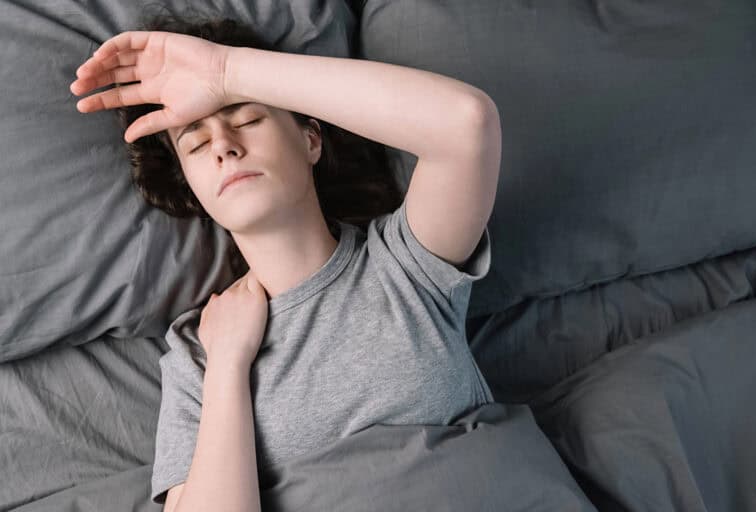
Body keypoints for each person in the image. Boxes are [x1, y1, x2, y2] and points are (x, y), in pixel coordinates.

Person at [70, 12, 502, 512]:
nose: (225, 148)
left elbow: (468, 124)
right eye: (197, 143)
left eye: (248, 119)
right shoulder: (199, 353)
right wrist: (229, 366)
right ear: (193, 190)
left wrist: (226, 72)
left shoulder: (406, 266)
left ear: (311, 139)